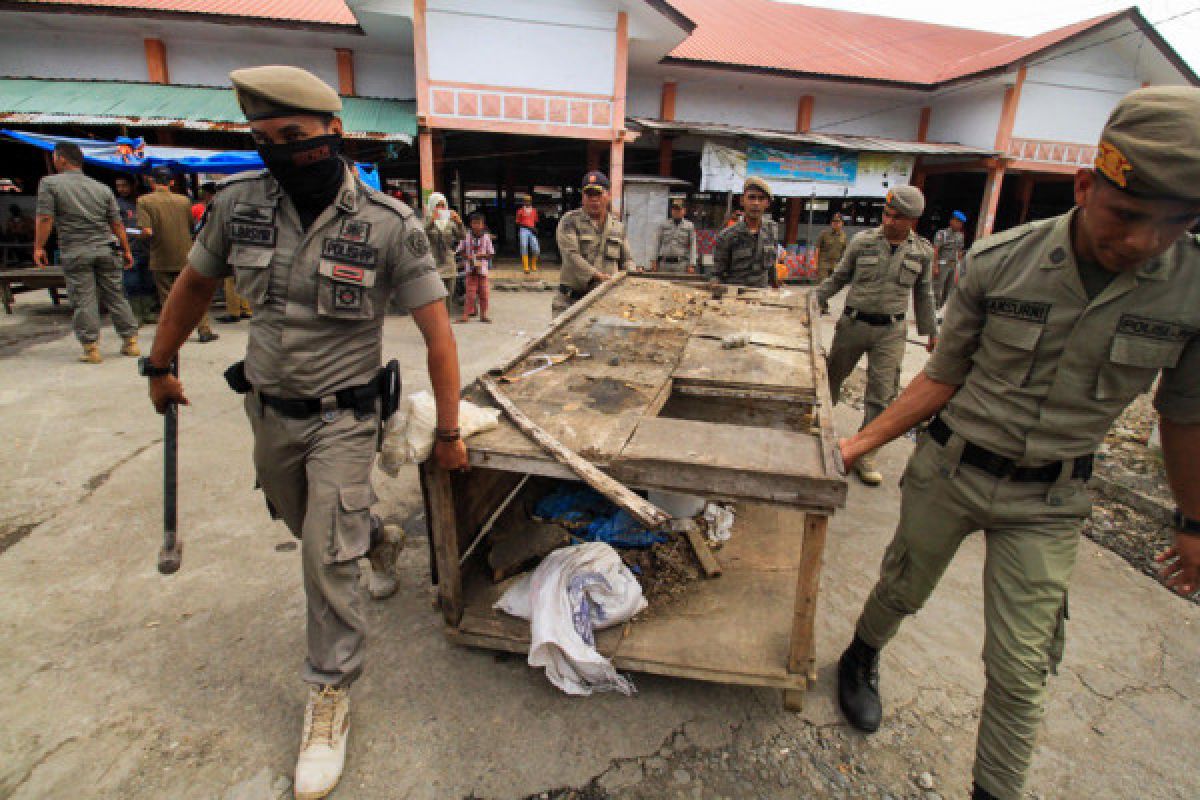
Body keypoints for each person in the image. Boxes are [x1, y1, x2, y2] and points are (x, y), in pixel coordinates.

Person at [833, 86, 1200, 800]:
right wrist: (857, 445)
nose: (1142, 243)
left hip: (1053, 498)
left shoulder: (1193, 289)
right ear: (1087, 184)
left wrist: (1194, 521)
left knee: (1023, 665)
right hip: (951, 470)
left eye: (1176, 223)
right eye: (1125, 217)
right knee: (902, 585)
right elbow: (942, 375)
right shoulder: (1002, 262)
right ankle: (860, 654)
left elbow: (1186, 415)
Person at [142, 65, 467, 800]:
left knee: (322, 555)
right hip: (270, 413)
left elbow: (439, 338)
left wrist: (448, 431)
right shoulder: (236, 206)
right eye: (264, 140)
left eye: (293, 137)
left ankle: (329, 692)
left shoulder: (390, 224)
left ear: (331, 132)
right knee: (311, 522)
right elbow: (193, 285)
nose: (280, 152)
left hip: (345, 420)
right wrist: (158, 364)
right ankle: (377, 538)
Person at [815, 185, 937, 486]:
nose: (888, 221)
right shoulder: (863, 242)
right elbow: (838, 278)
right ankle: (820, 435)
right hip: (853, 325)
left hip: (891, 331)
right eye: (886, 213)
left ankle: (865, 452)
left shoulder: (922, 251)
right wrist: (810, 302)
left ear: (912, 220)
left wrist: (932, 332)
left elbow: (924, 294)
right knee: (831, 380)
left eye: (896, 217)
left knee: (881, 395)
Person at [34, 141, 140, 363]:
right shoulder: (101, 188)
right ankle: (130, 341)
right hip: (107, 248)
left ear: (62, 159)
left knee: (84, 299)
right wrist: (126, 249)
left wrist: (39, 246)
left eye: (55, 157)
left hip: (76, 250)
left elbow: (45, 218)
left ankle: (91, 348)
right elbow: (117, 223)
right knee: (116, 296)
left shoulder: (50, 183)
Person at [137, 166, 218, 343]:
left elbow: (147, 231)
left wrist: (137, 236)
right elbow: (192, 227)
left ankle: (171, 333)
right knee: (195, 294)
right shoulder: (184, 201)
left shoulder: (144, 201)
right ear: (172, 182)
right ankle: (204, 329)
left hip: (161, 255)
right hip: (186, 253)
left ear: (152, 181)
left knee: (168, 297)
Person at [553, 170, 635, 314]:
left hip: (605, 303)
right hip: (571, 302)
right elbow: (571, 256)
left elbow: (627, 259)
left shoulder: (618, 227)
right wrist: (598, 276)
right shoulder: (570, 221)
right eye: (589, 195)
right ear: (583, 197)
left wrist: (633, 274)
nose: (594, 199)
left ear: (608, 195)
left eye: (598, 194)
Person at [712, 177, 780, 287]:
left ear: (767, 203)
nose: (756, 203)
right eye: (751, 197)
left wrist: (776, 288)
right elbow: (717, 274)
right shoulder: (727, 236)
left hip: (763, 297)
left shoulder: (772, 229)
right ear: (742, 200)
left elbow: (771, 267)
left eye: (761, 198)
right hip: (736, 299)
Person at [114, 175, 157, 325]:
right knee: (131, 283)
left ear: (133, 186)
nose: (121, 189)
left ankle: (148, 312)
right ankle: (136, 314)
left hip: (147, 248)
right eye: (118, 186)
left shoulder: (142, 202)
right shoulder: (117, 205)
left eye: (124, 185)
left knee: (148, 281)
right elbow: (115, 227)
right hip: (129, 248)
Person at [423, 191, 465, 308]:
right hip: (433, 265)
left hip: (449, 264)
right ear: (432, 206)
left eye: (443, 205)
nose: (440, 208)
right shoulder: (426, 220)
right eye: (438, 205)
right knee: (435, 301)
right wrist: (431, 221)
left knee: (448, 300)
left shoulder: (450, 222)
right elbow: (421, 236)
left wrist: (459, 222)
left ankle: (445, 323)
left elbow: (463, 236)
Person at [455, 211, 494, 323]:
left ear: (483, 225)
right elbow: (460, 250)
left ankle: (483, 315)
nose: (476, 225)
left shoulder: (486, 237)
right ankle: (465, 316)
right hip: (470, 269)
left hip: (482, 270)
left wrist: (482, 256)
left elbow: (491, 253)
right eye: (474, 223)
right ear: (471, 224)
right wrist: (467, 257)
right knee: (470, 294)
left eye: (479, 223)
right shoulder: (465, 236)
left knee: (484, 294)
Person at [651, 198, 697, 274]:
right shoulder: (663, 225)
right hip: (664, 264)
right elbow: (657, 243)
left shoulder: (689, 226)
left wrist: (692, 264)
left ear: (684, 211)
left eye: (679, 209)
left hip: (681, 265)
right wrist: (653, 260)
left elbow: (693, 245)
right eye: (674, 209)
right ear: (671, 211)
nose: (676, 212)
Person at [933, 210, 968, 309]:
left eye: (961, 223)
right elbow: (935, 251)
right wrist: (935, 266)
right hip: (942, 265)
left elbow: (960, 251)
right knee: (937, 288)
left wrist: (960, 267)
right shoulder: (942, 234)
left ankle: (942, 309)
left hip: (953, 266)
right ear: (951, 221)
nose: (959, 225)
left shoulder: (960, 236)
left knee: (949, 290)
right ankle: (934, 308)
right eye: (957, 222)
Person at [815, 212, 848, 285]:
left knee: (832, 286)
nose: (835, 223)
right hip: (824, 264)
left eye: (838, 222)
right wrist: (816, 264)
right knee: (822, 285)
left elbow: (845, 252)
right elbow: (817, 249)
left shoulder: (843, 236)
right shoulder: (824, 234)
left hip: (836, 264)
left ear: (842, 223)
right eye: (833, 221)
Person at [515, 193, 539, 274]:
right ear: (523, 202)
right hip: (523, 230)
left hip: (532, 230)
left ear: (531, 202)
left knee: (536, 248)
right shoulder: (520, 211)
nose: (527, 202)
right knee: (524, 246)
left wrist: (534, 229)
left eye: (528, 201)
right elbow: (518, 222)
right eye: (525, 201)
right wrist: (529, 227)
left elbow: (535, 221)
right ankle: (526, 267)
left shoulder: (534, 211)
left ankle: (533, 265)